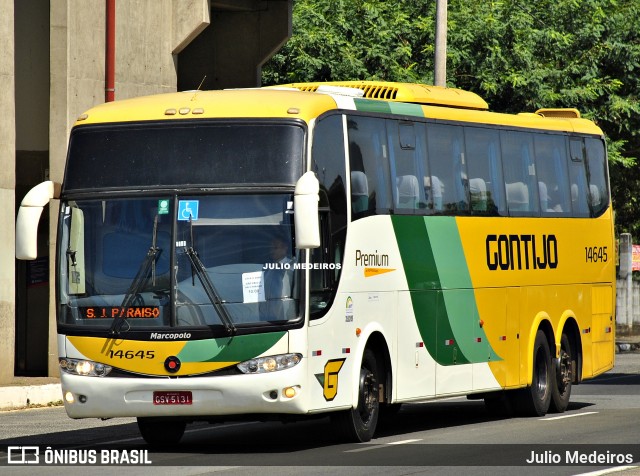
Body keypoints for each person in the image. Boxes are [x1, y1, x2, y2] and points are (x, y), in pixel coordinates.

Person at [261, 236, 295, 320]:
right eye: (270, 248)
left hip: (285, 310)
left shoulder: (292, 266)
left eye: (275, 248)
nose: (271, 251)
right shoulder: (267, 267)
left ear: (285, 248)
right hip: (268, 310)